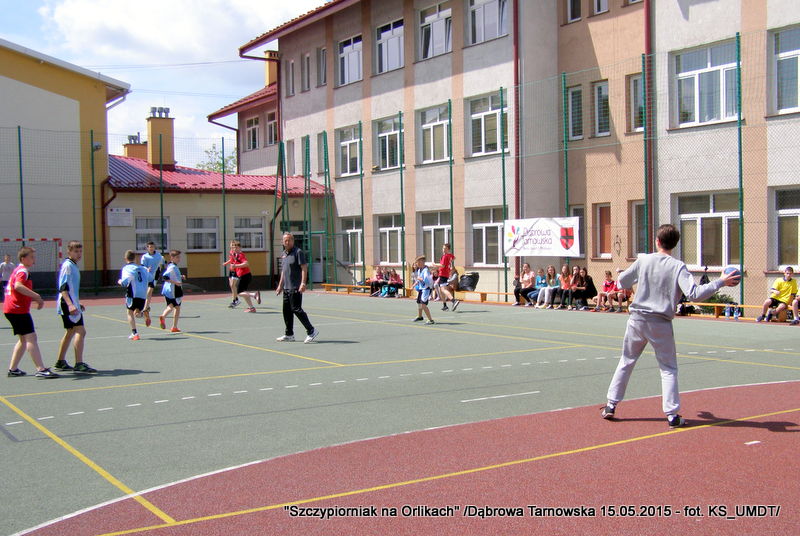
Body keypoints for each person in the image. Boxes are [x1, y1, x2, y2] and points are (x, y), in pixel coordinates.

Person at [601, 224, 740, 428]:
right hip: (660, 322)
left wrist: (630, 279)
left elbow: (621, 281)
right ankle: (672, 415)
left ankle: (611, 405)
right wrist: (720, 282)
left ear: (657, 241)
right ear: (675, 244)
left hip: (637, 319)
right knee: (668, 369)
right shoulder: (677, 266)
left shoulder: (644, 260)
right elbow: (694, 294)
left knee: (626, 361)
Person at [5, 247, 59, 378]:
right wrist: (37, 297)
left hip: (12, 309)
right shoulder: (23, 271)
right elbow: (18, 286)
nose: (34, 259)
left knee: (23, 339)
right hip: (17, 310)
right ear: (23, 258)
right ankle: (40, 369)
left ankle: (13, 369)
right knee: (31, 338)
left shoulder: (18, 270)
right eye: (31, 257)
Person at [53, 241, 97, 373]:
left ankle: (60, 361)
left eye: (80, 251)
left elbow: (71, 288)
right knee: (81, 331)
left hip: (71, 302)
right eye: (76, 251)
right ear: (69, 252)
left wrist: (77, 302)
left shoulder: (73, 265)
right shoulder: (67, 266)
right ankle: (79, 363)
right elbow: (63, 288)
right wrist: (71, 304)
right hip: (67, 303)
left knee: (71, 331)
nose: (79, 254)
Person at [275, 233, 319, 343]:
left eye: (289, 240)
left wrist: (303, 283)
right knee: (286, 311)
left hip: (295, 287)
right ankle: (289, 334)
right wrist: (280, 285)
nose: (287, 242)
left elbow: (304, 268)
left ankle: (311, 330)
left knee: (296, 309)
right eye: (285, 240)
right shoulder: (284, 254)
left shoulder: (298, 252)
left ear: (293, 241)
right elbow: (284, 271)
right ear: (282, 242)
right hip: (286, 288)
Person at [118, 250, 149, 341]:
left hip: (133, 293)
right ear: (135, 258)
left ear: (125, 258)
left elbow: (125, 282)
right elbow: (150, 278)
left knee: (130, 312)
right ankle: (143, 313)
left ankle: (134, 333)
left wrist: (120, 281)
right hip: (143, 294)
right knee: (137, 312)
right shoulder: (142, 268)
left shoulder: (126, 268)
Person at [229, 240, 261, 313]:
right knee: (244, 293)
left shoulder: (240, 255)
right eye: (233, 247)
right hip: (244, 275)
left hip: (245, 276)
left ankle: (254, 295)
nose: (235, 249)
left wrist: (235, 266)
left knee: (239, 293)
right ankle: (251, 308)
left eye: (236, 247)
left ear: (240, 248)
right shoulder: (235, 255)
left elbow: (246, 264)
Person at [159, 250, 184, 333]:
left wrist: (181, 276)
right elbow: (165, 277)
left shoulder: (172, 266)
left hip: (168, 290)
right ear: (172, 258)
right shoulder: (172, 267)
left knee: (171, 306)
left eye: (179, 257)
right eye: (177, 257)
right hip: (174, 290)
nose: (179, 259)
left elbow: (173, 276)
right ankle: (173, 326)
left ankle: (164, 317)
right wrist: (175, 282)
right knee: (177, 307)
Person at [140, 242, 164, 327]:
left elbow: (163, 263)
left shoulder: (159, 256)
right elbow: (142, 266)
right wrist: (146, 269)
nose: (151, 248)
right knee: (147, 292)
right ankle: (146, 307)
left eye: (152, 247)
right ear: (147, 248)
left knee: (150, 290)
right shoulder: (144, 257)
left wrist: (161, 269)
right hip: (146, 275)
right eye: (150, 247)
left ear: (154, 248)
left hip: (154, 276)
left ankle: (145, 308)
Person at [412, 255, 435, 324]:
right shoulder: (419, 270)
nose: (416, 264)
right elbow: (419, 280)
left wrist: (420, 279)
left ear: (422, 262)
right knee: (419, 303)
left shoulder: (426, 270)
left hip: (426, 289)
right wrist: (414, 285)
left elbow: (427, 281)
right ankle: (420, 316)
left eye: (417, 262)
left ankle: (431, 320)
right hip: (421, 289)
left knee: (423, 305)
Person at [222, 241, 240, 308]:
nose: (232, 246)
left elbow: (237, 261)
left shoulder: (237, 253)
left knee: (233, 285)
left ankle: (234, 301)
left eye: (233, 245)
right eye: (231, 245)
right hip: (231, 270)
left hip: (236, 270)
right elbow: (231, 260)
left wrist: (234, 261)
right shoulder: (231, 252)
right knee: (231, 286)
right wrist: (226, 263)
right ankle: (236, 299)